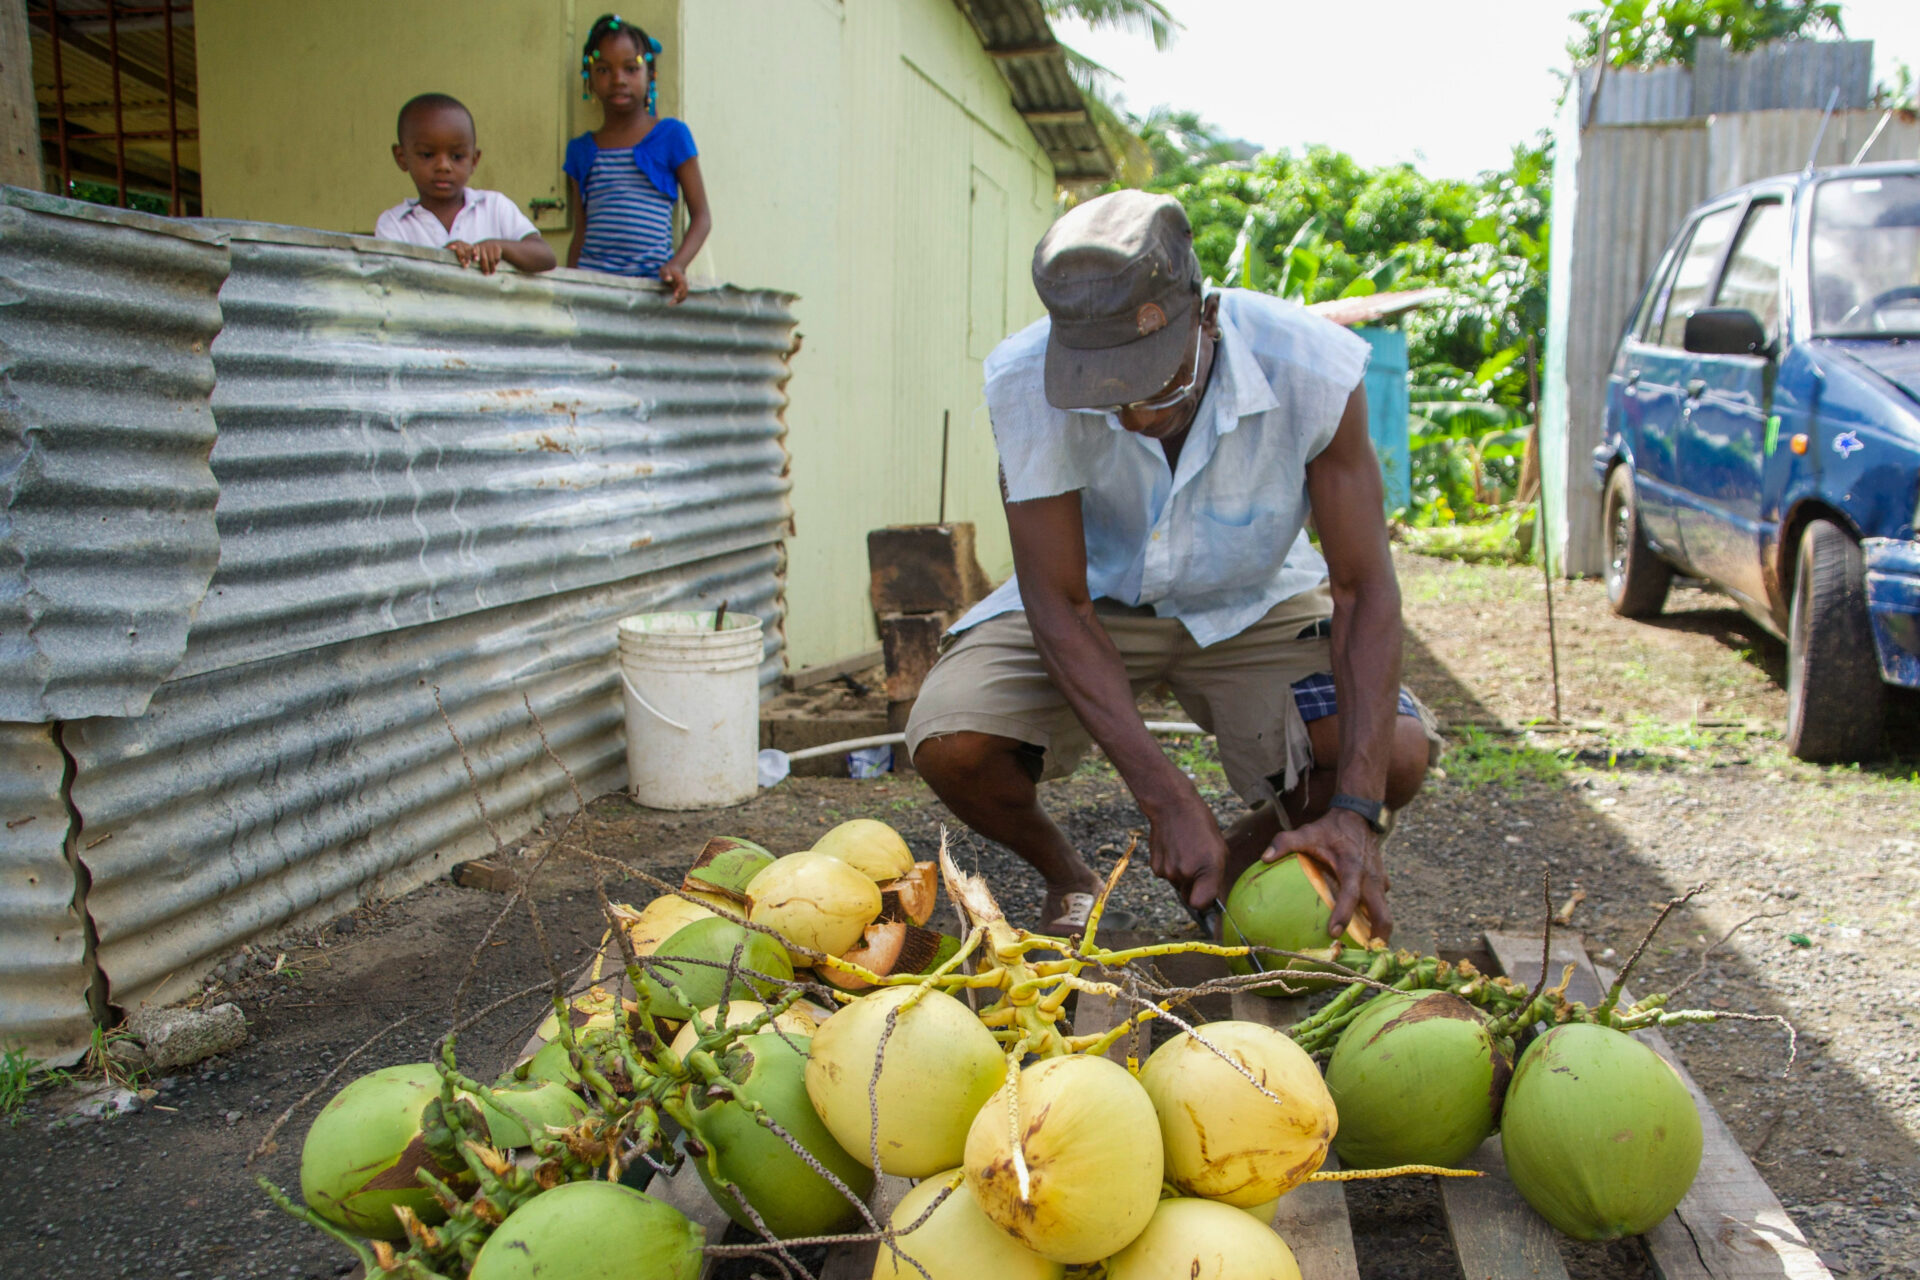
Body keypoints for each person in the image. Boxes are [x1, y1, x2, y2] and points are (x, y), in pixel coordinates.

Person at [907, 191, 1441, 940]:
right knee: (953, 742)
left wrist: (1356, 812)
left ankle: (1243, 872)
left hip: (1253, 601)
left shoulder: (1312, 369)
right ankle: (1069, 877)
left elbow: (1363, 589)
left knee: (1397, 752)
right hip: (1095, 601)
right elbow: (1059, 604)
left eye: (1155, 384)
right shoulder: (1028, 383)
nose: (1134, 416)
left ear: (1205, 315)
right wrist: (1165, 796)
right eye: (1108, 396)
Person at [563, 14, 712, 303]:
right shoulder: (580, 150)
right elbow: (580, 230)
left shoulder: (672, 136)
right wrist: (569, 288)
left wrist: (678, 264)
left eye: (631, 68)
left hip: (652, 287)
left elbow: (702, 217)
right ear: (589, 78)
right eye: (604, 70)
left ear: (651, 76)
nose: (618, 79)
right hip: (593, 287)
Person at [375, 93, 557, 275]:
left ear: (474, 160)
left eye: (457, 157)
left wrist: (496, 247)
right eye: (427, 155)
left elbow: (545, 256)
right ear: (402, 158)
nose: (443, 166)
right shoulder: (394, 224)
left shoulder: (494, 207)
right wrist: (444, 259)